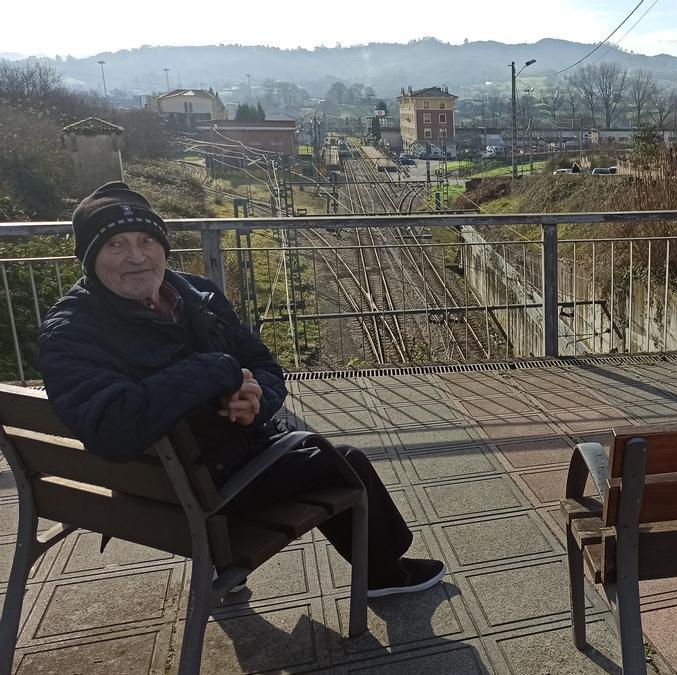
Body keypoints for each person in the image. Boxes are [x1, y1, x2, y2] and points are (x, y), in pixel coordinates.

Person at [37, 181, 445, 597]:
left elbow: (265, 366)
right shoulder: (73, 333)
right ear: (89, 259)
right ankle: (383, 574)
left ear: (164, 246)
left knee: (309, 452)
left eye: (146, 240)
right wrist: (217, 369)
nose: (137, 257)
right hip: (201, 492)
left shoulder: (198, 295)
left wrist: (254, 405)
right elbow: (113, 426)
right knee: (344, 462)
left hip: (192, 474)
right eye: (116, 245)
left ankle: (226, 561)